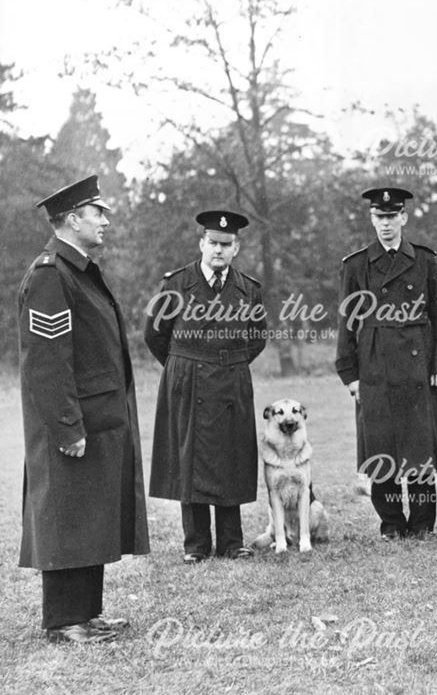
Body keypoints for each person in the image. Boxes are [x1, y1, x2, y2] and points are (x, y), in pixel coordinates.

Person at [18, 175, 149, 643]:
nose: (106, 220)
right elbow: (47, 364)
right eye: (98, 212)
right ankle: (64, 620)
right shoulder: (52, 274)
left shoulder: (78, 269)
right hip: (73, 422)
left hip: (98, 418)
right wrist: (67, 426)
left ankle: (87, 613)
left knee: (89, 514)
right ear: (73, 219)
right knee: (68, 515)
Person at [145, 210, 267, 563]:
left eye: (225, 245)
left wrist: (227, 361)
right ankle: (195, 544)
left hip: (231, 380)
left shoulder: (249, 289)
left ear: (236, 248)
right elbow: (155, 335)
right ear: (201, 244)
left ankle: (232, 541)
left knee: (230, 456)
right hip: (188, 380)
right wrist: (183, 367)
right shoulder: (177, 283)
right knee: (190, 457)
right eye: (212, 243)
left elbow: (257, 338)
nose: (218, 250)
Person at [335, 187, 437, 540]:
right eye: (379, 217)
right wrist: (350, 374)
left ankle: (420, 523)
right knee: (381, 448)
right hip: (374, 366)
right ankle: (391, 523)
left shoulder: (424, 261)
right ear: (372, 219)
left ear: (403, 217)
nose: (385, 224)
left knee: (420, 451)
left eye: (391, 217)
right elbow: (347, 322)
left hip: (418, 365)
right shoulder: (356, 266)